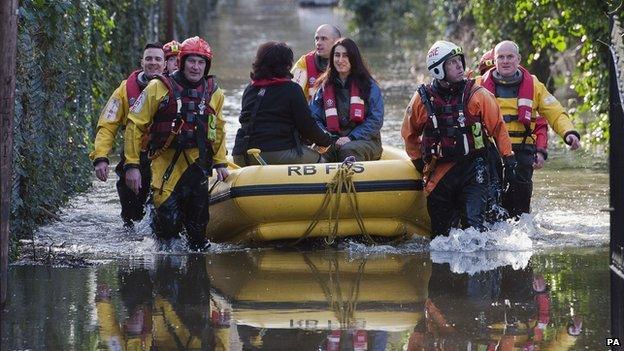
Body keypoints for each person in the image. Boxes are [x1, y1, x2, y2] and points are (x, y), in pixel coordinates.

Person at [401, 40, 515, 238]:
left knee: (475, 231)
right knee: (440, 237)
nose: (459, 66)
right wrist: (419, 162)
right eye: (452, 62)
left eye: (459, 60)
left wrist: (508, 157)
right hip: (440, 173)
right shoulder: (422, 100)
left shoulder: (478, 95)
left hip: (474, 169)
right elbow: (409, 134)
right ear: (438, 69)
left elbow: (498, 128)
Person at [124, 36, 229, 251]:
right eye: (192, 61)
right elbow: (135, 125)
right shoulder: (158, 88)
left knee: (198, 234)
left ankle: (195, 277)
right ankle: (165, 272)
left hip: (197, 164)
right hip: (166, 164)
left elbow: (217, 129)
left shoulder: (214, 93)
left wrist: (220, 162)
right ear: (181, 62)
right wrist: (132, 165)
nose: (196, 67)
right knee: (167, 231)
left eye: (201, 63)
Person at [478, 40, 581, 217]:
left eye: (510, 57)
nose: (505, 61)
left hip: (521, 150)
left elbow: (555, 112)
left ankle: (520, 232)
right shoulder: (477, 85)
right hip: (491, 151)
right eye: (500, 57)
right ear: (494, 61)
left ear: (518, 59)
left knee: (520, 204)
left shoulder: (534, 85)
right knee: (489, 199)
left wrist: (568, 132)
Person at [89, 43, 165, 228]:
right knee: (132, 219)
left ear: (165, 64)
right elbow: (108, 125)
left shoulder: (174, 88)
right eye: (149, 58)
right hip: (135, 157)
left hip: (165, 157)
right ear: (142, 62)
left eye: (157, 59)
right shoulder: (124, 90)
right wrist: (101, 157)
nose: (153, 63)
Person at [232, 41, 333, 166]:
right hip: (275, 152)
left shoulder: (250, 89)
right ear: (286, 64)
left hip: (240, 154)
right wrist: (328, 140)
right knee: (321, 161)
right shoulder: (292, 89)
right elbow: (308, 127)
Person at [310, 38, 384, 162]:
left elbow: (376, 119)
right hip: (332, 140)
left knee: (348, 149)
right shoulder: (323, 87)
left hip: (365, 141)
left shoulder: (370, 86)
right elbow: (314, 118)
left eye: (345, 56)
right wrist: (328, 137)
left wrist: (351, 137)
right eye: (337, 55)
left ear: (353, 59)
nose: (340, 60)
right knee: (313, 153)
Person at [292, 24, 342, 101]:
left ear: (337, 41)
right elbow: (292, 92)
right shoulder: (305, 62)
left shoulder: (348, 61)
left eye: (324, 39)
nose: (318, 42)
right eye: (316, 39)